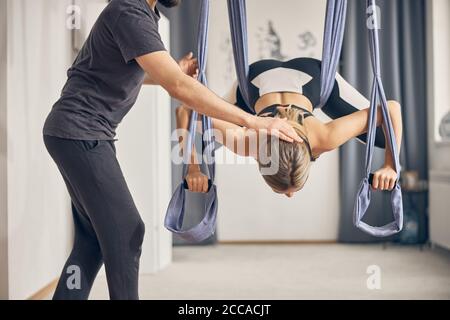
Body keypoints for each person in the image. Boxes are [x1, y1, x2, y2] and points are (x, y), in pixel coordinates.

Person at [42, 0, 300, 300]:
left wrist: (172, 70)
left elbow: (139, 71)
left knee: (92, 241)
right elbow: (179, 87)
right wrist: (253, 122)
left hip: (74, 132)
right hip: (80, 132)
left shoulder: (143, 14)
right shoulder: (129, 11)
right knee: (128, 233)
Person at [177, 57, 403, 198]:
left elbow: (392, 108)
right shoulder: (247, 144)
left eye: (280, 190)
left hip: (300, 76)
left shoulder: (324, 138)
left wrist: (392, 165)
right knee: (207, 129)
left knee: (383, 139)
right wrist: (193, 169)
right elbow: (185, 110)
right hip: (258, 76)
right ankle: (193, 87)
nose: (290, 196)